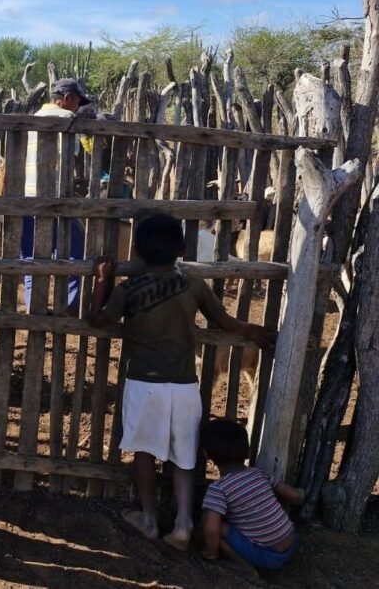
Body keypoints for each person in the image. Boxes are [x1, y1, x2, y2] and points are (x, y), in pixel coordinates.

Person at [88, 214, 274, 551]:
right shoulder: (194, 286)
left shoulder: (129, 290)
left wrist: (102, 279)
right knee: (184, 457)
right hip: (185, 386)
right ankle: (184, 523)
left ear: (137, 251)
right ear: (182, 248)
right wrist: (250, 331)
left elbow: (98, 320)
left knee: (144, 453)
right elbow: (223, 320)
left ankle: (147, 518)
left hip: (144, 385)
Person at [21, 78, 93, 313]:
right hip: (55, 199)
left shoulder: (34, 118)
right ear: (66, 99)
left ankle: (35, 306)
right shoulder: (67, 119)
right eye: (77, 102)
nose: (77, 107)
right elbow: (89, 146)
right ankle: (70, 306)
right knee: (74, 253)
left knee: (32, 255)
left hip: (27, 197)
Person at [200, 418, 302, 572]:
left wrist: (210, 552)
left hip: (267, 557)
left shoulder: (218, 489)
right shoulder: (258, 473)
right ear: (248, 451)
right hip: (292, 543)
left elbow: (212, 530)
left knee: (213, 525)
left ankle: (242, 565)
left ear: (206, 455)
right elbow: (293, 495)